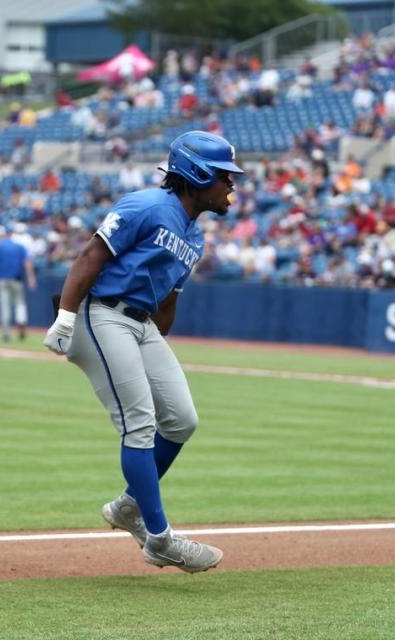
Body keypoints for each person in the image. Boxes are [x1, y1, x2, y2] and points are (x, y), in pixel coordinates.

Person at [42, 131, 243, 573]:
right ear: (198, 174)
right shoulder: (147, 205)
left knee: (182, 419)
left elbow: (168, 301)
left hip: (140, 324)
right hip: (101, 313)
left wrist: (153, 355)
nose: (232, 186)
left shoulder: (194, 237)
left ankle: (129, 506)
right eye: (225, 177)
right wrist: (66, 318)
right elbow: (90, 256)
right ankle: (159, 538)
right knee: (139, 424)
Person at [0, 227, 37, 342]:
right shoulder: (19, 247)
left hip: (2, 279)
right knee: (19, 305)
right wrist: (31, 279)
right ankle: (21, 321)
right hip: (17, 280)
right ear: (12, 234)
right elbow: (27, 263)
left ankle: (6, 334)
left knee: (4, 308)